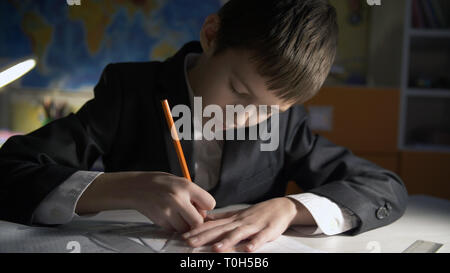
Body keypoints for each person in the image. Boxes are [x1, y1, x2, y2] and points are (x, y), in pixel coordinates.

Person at [0, 0, 408, 253]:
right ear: (212, 34)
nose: (245, 119)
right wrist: (118, 187)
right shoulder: (130, 92)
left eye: (270, 109)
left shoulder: (285, 123)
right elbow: (10, 173)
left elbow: (382, 186)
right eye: (239, 91)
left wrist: (290, 207)